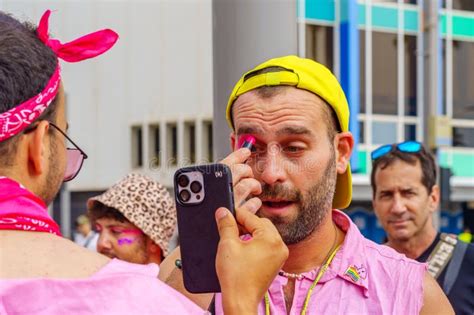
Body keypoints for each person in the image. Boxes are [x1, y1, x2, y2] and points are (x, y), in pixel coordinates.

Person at [0, 10, 288, 314]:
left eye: (293, 147)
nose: (271, 172)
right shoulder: (133, 299)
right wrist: (241, 300)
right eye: (63, 136)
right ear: (38, 146)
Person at [160, 55, 454, 314]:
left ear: (341, 153)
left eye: (294, 147)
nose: (271, 172)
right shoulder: (193, 272)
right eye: (253, 147)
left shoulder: (409, 294)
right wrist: (204, 240)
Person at [371, 140, 474, 314]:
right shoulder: (364, 269)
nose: (397, 207)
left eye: (408, 193)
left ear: (433, 198)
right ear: (374, 203)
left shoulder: (470, 261)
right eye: (386, 195)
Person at [88, 173, 176, 265]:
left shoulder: (181, 279)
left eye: (116, 231)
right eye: (99, 230)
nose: (101, 243)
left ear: (153, 242)